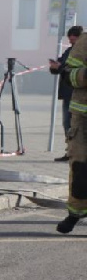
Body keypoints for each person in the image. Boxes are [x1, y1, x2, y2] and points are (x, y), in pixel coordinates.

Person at [56, 31, 87, 233]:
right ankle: (75, 214)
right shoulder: (84, 42)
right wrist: (84, 75)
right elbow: (67, 75)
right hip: (82, 121)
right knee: (80, 170)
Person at [49, 25, 84, 162]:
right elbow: (63, 67)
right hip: (68, 94)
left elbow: (77, 71)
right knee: (67, 124)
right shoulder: (69, 51)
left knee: (77, 125)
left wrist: (61, 68)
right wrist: (55, 67)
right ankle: (70, 152)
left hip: (79, 96)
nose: (71, 44)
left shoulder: (83, 53)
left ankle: (77, 154)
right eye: (70, 41)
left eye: (74, 41)